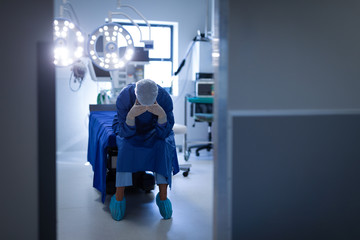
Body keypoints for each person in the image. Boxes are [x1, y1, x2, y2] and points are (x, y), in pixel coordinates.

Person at [110, 79, 179, 221]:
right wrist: (131, 116)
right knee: (126, 147)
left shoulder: (164, 98)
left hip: (156, 130)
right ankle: (119, 197)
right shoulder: (124, 97)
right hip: (130, 130)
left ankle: (163, 197)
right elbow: (123, 132)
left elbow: (164, 132)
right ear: (136, 95)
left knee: (162, 146)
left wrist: (161, 116)